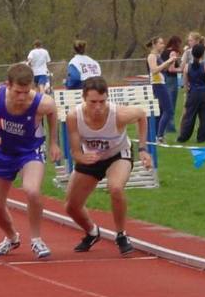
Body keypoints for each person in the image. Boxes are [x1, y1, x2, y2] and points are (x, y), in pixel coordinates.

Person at [0, 63, 61, 259]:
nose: (22, 97)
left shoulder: (42, 103)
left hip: (30, 151)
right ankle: (11, 237)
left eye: (26, 91)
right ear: (7, 85)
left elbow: (52, 112)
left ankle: (37, 240)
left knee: (32, 190)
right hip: (2, 152)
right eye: (17, 92)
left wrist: (54, 143)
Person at [64, 76, 152, 256]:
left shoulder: (119, 114)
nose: (98, 107)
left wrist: (143, 148)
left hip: (118, 155)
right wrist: (82, 157)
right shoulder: (74, 117)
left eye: (102, 102)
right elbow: (75, 152)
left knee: (116, 188)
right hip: (92, 157)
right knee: (71, 207)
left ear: (107, 98)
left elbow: (142, 115)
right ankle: (92, 232)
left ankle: (121, 235)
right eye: (93, 102)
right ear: (84, 98)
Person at [177, 44, 205, 143]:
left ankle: (184, 136)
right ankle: (202, 138)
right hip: (204, 93)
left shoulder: (186, 67)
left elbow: (185, 83)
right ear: (203, 55)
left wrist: (186, 94)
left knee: (189, 116)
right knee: (204, 117)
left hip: (193, 93)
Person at [145, 36, 177, 142]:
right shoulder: (151, 56)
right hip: (157, 84)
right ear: (154, 44)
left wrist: (171, 62)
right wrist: (167, 61)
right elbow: (154, 70)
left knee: (161, 110)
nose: (163, 45)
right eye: (160, 43)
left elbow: (164, 69)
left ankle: (156, 135)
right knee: (169, 110)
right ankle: (160, 135)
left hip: (161, 83)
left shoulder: (157, 56)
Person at [161, 36, 183, 134]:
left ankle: (164, 125)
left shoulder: (164, 52)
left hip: (164, 78)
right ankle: (170, 127)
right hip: (171, 79)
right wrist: (183, 69)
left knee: (165, 103)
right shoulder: (173, 53)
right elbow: (172, 69)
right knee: (171, 103)